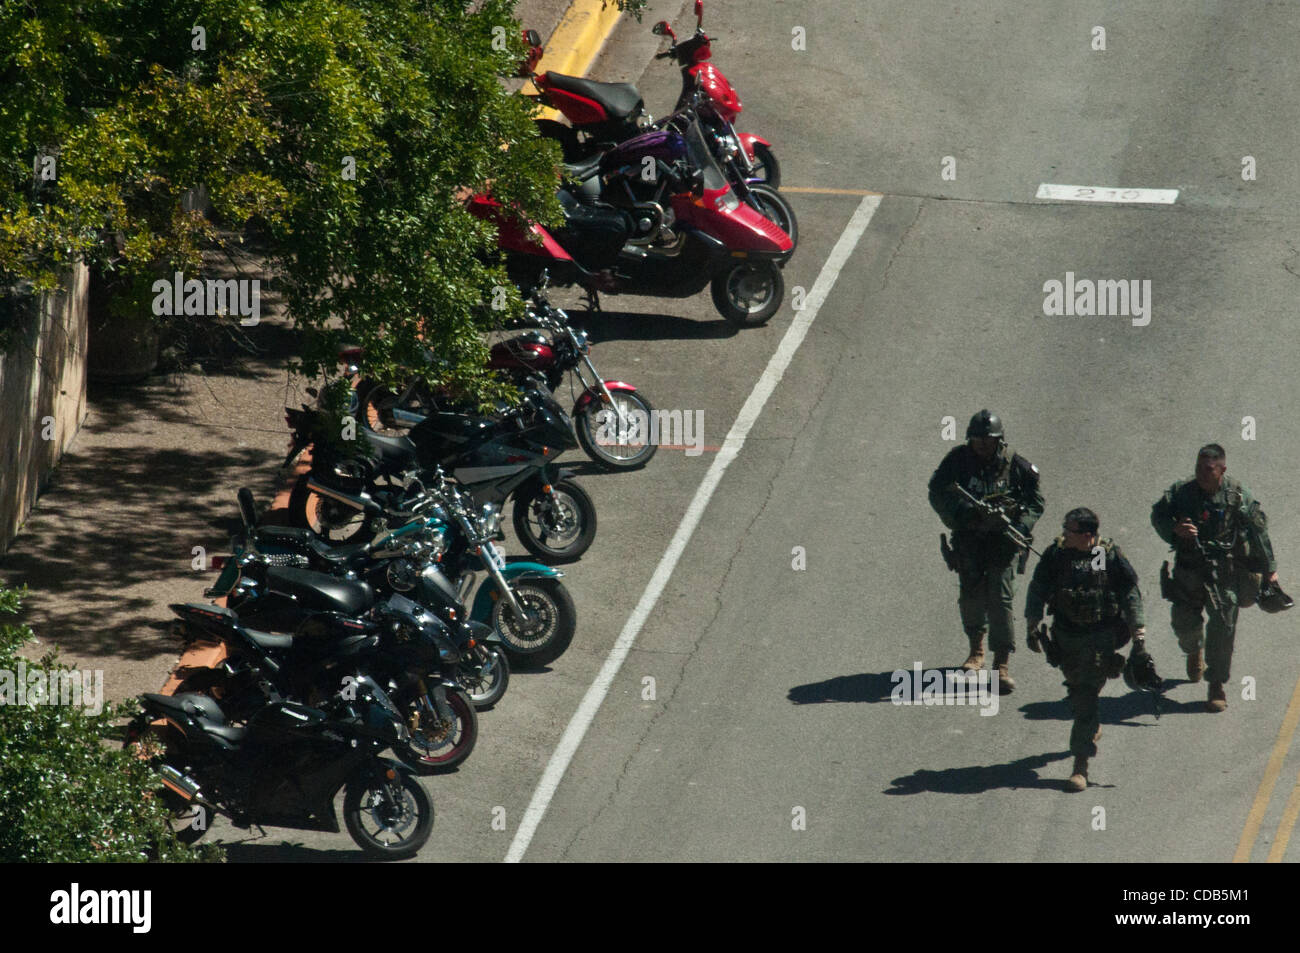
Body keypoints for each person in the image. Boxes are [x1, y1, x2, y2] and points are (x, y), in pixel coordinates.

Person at [1151, 444, 1282, 712]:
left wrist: (1270, 569)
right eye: (1198, 467)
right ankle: (1193, 650)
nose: (1201, 473)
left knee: (1223, 627)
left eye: (1208, 469)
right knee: (1184, 624)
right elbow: (1158, 515)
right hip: (1189, 569)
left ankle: (1216, 684)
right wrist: (1175, 530)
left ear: (1222, 470)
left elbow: (1258, 531)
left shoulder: (1236, 495)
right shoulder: (1180, 492)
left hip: (1225, 572)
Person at [1025, 508, 1147, 792]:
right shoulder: (1057, 554)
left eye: (1070, 530)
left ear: (1088, 535)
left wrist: (1138, 634)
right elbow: (1038, 587)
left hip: (1100, 637)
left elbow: (1130, 592)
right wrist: (1033, 622)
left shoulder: (1108, 555)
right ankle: (1090, 726)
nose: (1064, 533)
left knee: (1085, 695)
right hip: (1067, 636)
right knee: (1078, 690)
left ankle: (1080, 765)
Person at [929, 410, 1044, 694]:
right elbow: (936, 491)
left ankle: (1001, 664)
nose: (981, 444)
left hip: (1003, 542)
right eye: (976, 439)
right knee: (970, 596)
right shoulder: (957, 461)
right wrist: (963, 514)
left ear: (999, 439)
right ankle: (975, 651)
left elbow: (1036, 500)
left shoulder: (1015, 464)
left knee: (1001, 600)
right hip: (970, 540)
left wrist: (1018, 524)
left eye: (987, 439)